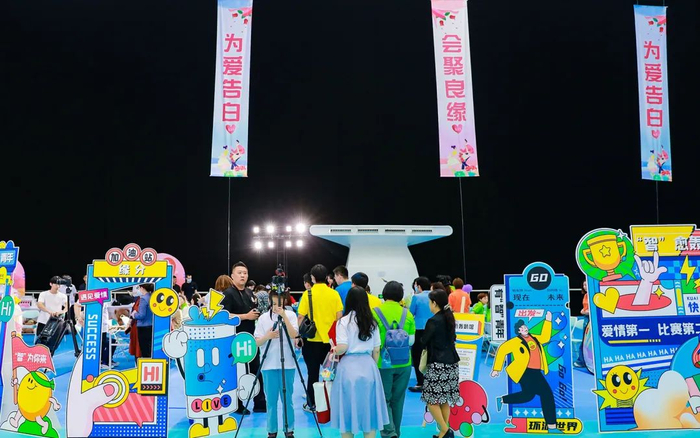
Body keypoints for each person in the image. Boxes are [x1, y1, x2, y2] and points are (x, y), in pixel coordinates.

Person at [330, 286, 389, 438]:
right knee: (370, 410)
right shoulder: (372, 322)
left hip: (348, 369)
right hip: (368, 367)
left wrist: (334, 349)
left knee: (347, 410)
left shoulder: (343, 322)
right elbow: (376, 350)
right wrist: (372, 365)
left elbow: (343, 347)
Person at [491, 313, 558, 433]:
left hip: (536, 371)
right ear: (518, 331)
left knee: (528, 395)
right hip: (524, 372)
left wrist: (548, 321)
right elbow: (502, 350)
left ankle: (502, 400)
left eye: (525, 327)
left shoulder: (534, 337)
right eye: (522, 328)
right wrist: (497, 369)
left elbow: (545, 337)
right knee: (546, 394)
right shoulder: (515, 342)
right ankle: (552, 426)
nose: (525, 328)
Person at [220, 261, 266, 414]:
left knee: (256, 369)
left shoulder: (250, 293)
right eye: (239, 273)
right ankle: (238, 404)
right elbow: (224, 316)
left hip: (251, 338)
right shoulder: (227, 294)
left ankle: (260, 402)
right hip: (235, 340)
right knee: (238, 372)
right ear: (232, 276)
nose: (242, 276)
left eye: (245, 273)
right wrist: (245, 316)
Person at [297, 264, 343, 412]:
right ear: (327, 278)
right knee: (330, 374)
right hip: (330, 342)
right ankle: (331, 403)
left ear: (312, 278)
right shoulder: (334, 294)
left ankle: (312, 404)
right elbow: (339, 317)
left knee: (312, 373)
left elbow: (300, 317)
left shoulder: (307, 294)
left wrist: (298, 336)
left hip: (311, 340)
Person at [254, 288, 299, 438]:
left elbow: (294, 334)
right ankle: (271, 431)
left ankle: (289, 429)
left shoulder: (291, 315)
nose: (276, 307)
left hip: (288, 364)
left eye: (279, 304)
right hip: (268, 365)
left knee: (287, 400)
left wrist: (284, 316)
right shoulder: (263, 318)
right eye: (273, 304)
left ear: (284, 302)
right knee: (271, 401)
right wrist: (267, 336)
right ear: (269, 302)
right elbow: (257, 342)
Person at [373, 281, 415, 438]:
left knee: (383, 399)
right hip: (404, 363)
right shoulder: (407, 314)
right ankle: (396, 431)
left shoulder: (375, 312)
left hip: (383, 363)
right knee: (398, 400)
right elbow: (411, 341)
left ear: (384, 294)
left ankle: (389, 433)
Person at [422, 289, 460, 438]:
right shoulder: (449, 317)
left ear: (434, 303)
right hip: (452, 363)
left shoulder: (433, 321)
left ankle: (445, 430)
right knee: (444, 400)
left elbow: (424, 340)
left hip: (438, 364)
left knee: (431, 400)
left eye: (429, 302)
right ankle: (444, 431)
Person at [408, 276, 432, 392]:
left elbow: (410, 313)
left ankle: (421, 382)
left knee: (417, 355)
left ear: (418, 286)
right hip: (433, 329)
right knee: (431, 354)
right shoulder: (434, 295)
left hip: (420, 329)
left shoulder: (416, 297)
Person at [131, 283, 154, 358]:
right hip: (151, 325)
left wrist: (134, 314)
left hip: (143, 327)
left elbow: (141, 315)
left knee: (145, 350)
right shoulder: (152, 297)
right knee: (149, 349)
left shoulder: (143, 299)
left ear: (142, 288)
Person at [574, 281, 590, 368]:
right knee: (584, 341)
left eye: (586, 284)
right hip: (586, 318)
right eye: (583, 285)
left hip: (591, 319)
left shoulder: (593, 295)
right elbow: (584, 309)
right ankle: (581, 361)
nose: (584, 286)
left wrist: (587, 312)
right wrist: (583, 311)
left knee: (588, 341)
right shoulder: (585, 295)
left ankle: (583, 361)